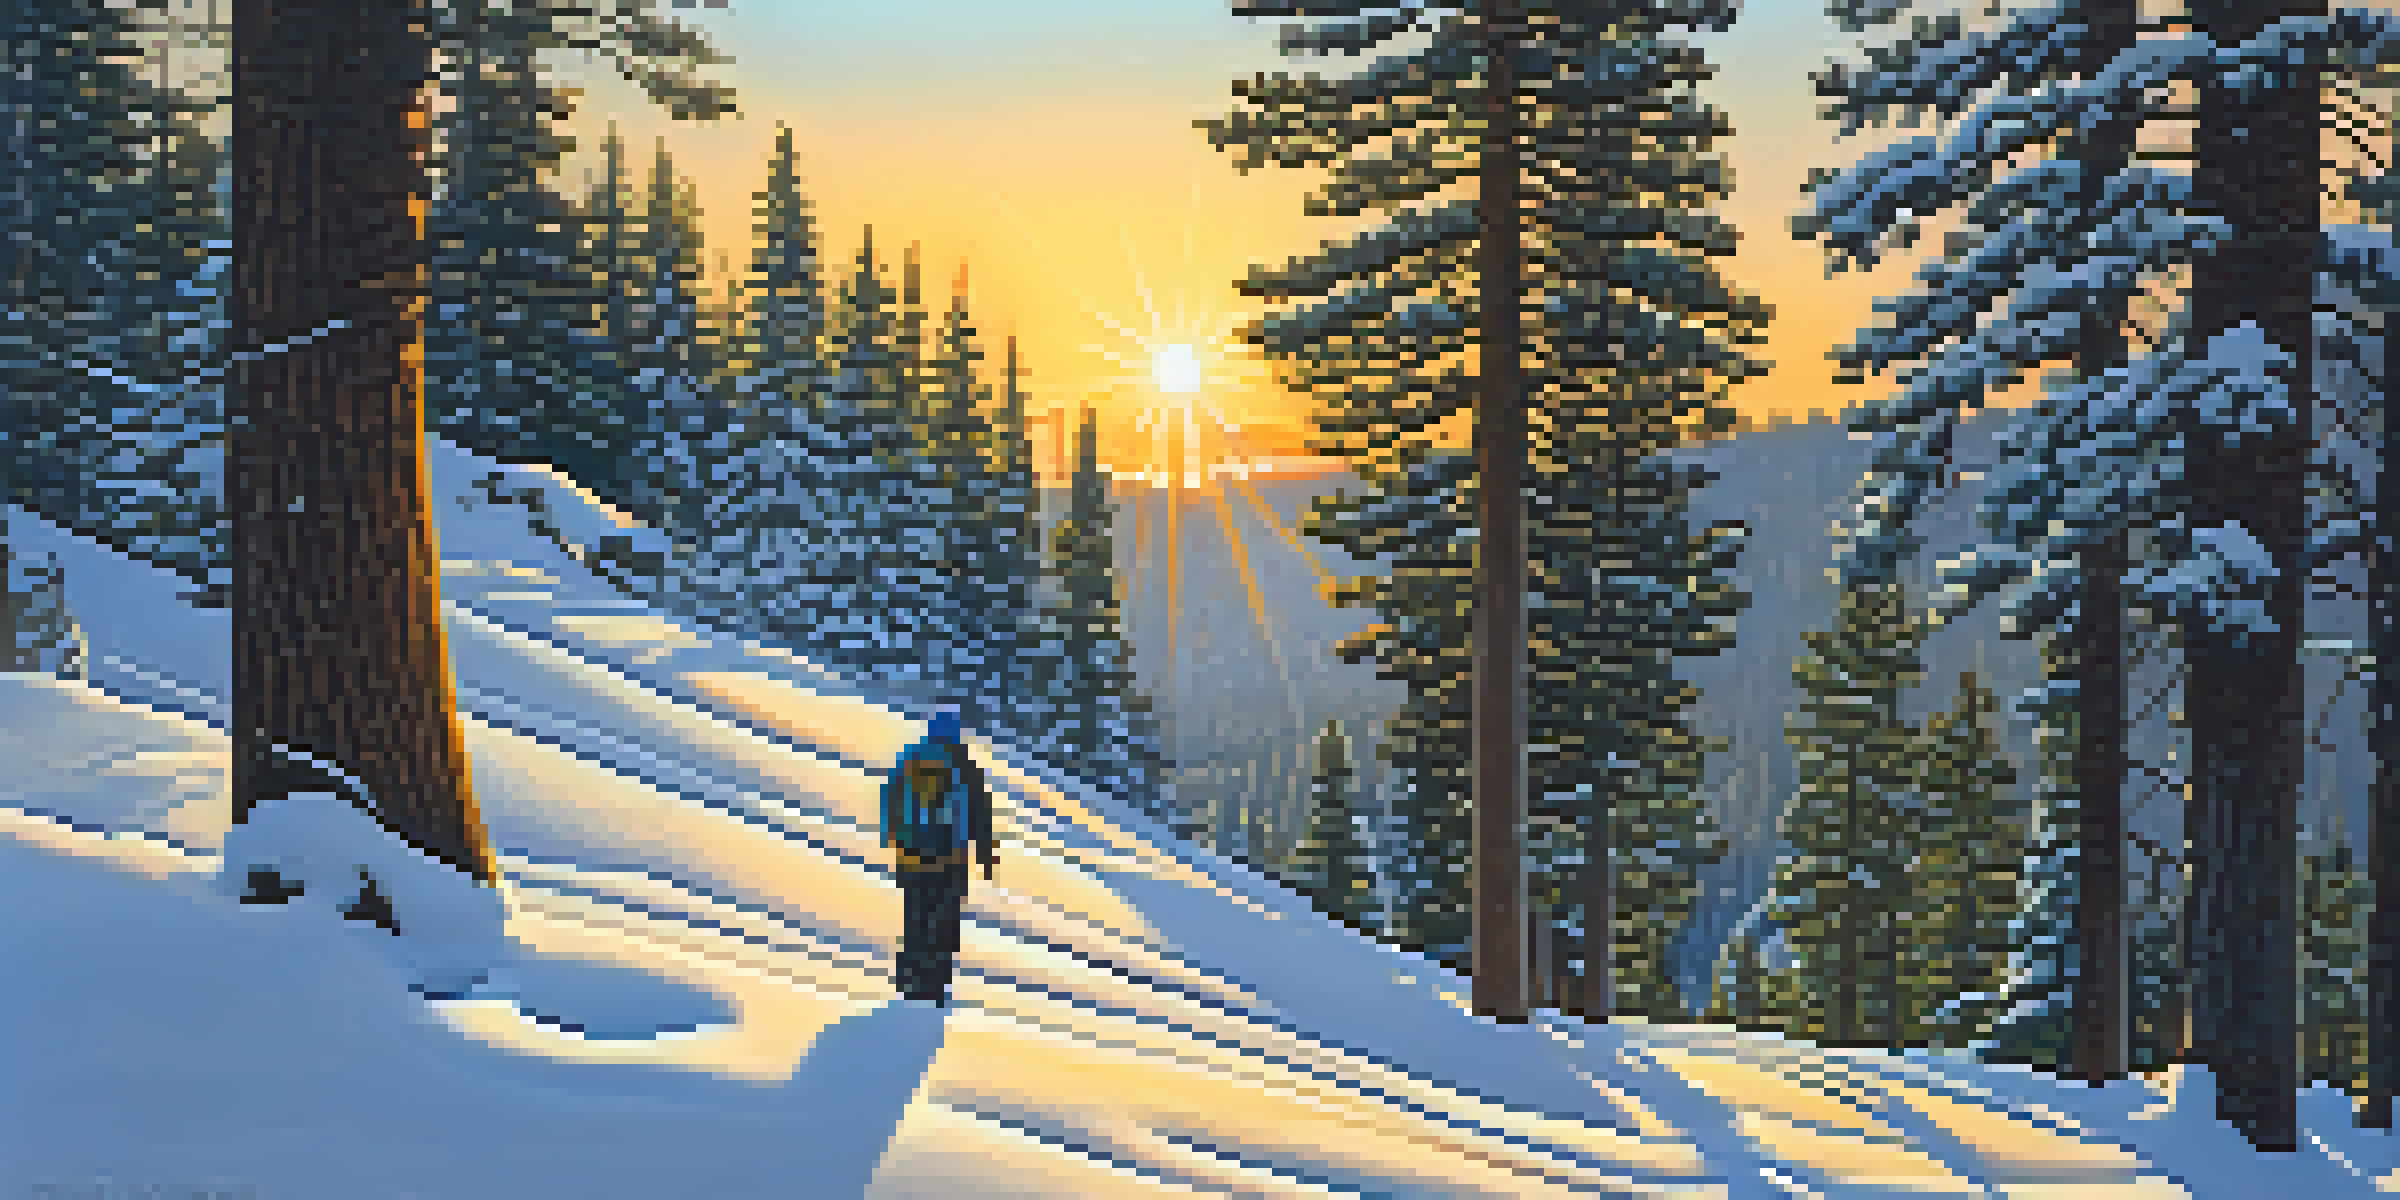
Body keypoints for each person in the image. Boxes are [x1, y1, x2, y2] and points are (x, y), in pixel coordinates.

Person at [878, 706, 996, 1007]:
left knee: (914, 919)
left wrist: (892, 839)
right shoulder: (964, 765)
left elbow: (889, 797)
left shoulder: (911, 756)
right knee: (943, 923)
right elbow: (980, 814)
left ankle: (909, 982)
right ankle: (935, 986)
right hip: (949, 860)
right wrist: (984, 855)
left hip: (910, 857)